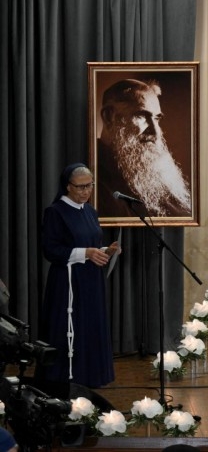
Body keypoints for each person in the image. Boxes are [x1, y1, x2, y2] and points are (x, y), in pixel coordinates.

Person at [39, 164, 120, 393]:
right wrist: (87, 253)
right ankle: (65, 378)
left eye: (89, 186)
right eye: (81, 187)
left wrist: (105, 250)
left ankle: (90, 376)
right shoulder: (55, 212)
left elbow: (91, 246)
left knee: (90, 325)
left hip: (91, 280)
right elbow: (51, 250)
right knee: (68, 328)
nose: (86, 191)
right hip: (67, 282)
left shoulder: (90, 211)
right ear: (68, 186)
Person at [95, 78, 192, 218]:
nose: (155, 131)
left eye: (157, 118)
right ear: (109, 117)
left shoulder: (153, 173)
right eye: (141, 115)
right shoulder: (92, 180)